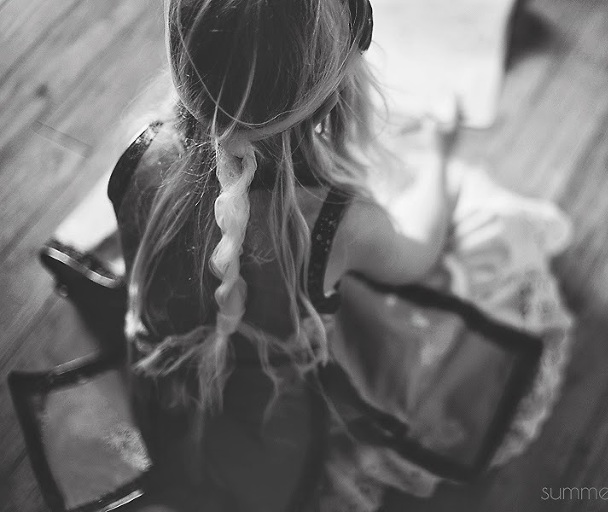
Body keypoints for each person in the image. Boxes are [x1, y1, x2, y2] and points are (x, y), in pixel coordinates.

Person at [109, 0, 574, 510]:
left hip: (165, 404)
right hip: (279, 440)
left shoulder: (140, 152)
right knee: (495, 227)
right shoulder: (337, 222)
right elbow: (417, 256)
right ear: (331, 95)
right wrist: (439, 157)